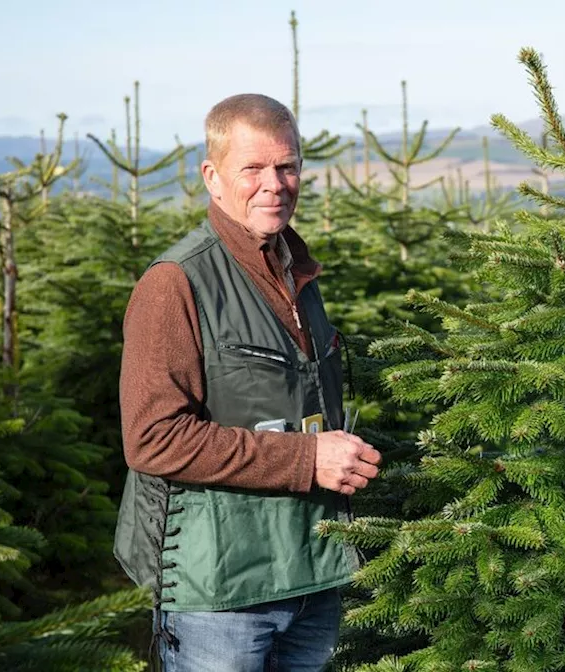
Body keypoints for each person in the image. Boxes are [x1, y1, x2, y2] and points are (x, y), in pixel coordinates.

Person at [113, 93, 382, 671]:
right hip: (221, 593)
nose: (275, 184)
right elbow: (153, 439)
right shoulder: (175, 283)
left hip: (312, 571)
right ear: (212, 176)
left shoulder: (297, 272)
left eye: (287, 166)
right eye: (253, 169)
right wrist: (306, 460)